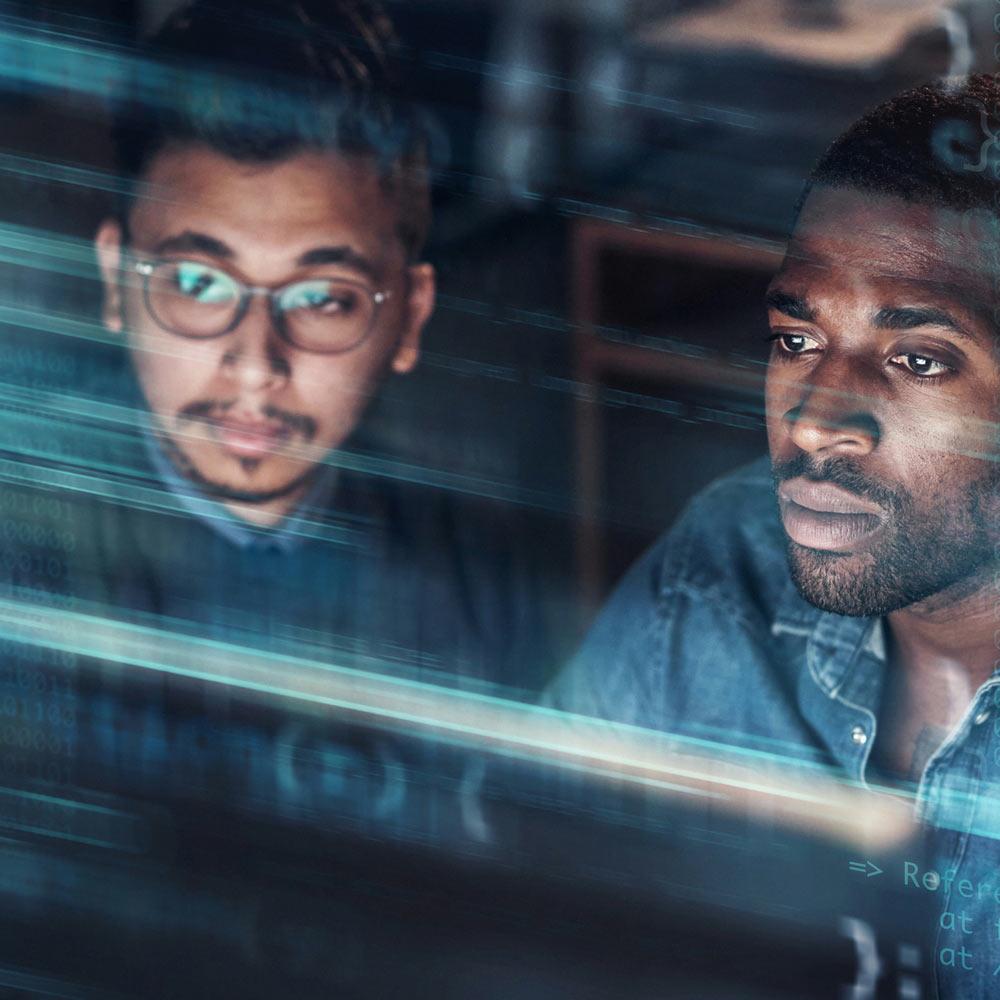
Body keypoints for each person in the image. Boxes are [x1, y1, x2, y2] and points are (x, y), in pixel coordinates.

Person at [3, 0, 550, 826]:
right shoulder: (22, 552)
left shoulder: (471, 567)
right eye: (196, 284)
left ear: (408, 315)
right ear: (117, 280)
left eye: (323, 298)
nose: (256, 364)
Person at [548, 74, 1000, 997]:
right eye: (796, 340)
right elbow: (507, 879)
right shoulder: (728, 563)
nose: (812, 423)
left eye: (918, 360)